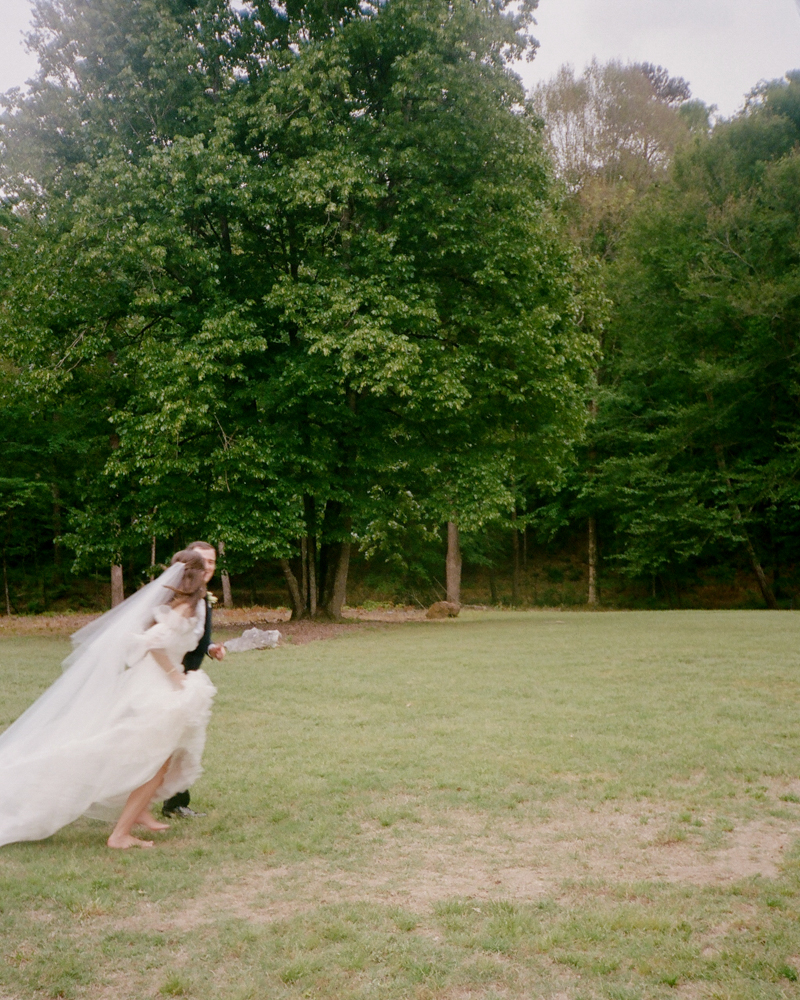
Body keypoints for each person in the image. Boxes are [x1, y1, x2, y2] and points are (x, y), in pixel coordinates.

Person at [0, 551, 217, 850]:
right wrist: (174, 675)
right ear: (195, 574)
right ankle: (119, 832)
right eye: (206, 566)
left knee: (157, 759)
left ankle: (135, 815)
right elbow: (151, 642)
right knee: (129, 753)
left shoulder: (188, 606)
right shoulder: (181, 609)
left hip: (156, 681)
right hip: (155, 685)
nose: (210, 570)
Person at [162, 540, 226, 819]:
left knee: (181, 743)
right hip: (168, 681)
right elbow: (159, 640)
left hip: (185, 680)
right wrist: (174, 676)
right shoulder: (179, 597)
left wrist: (211, 648)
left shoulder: (201, 596)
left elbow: (198, 638)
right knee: (166, 745)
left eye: (212, 562)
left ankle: (174, 803)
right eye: (202, 561)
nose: (208, 567)